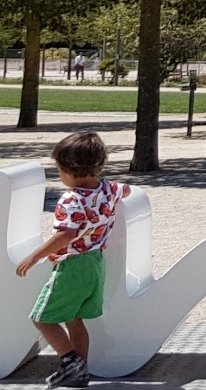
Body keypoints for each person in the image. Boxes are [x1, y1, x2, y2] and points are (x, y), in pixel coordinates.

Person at [15, 131, 131, 388]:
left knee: (42, 317)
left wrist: (36, 255)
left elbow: (67, 233)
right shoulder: (109, 189)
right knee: (75, 318)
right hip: (95, 264)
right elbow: (127, 190)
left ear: (68, 169)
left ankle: (70, 361)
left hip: (73, 265)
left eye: (59, 170)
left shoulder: (71, 199)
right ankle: (80, 371)